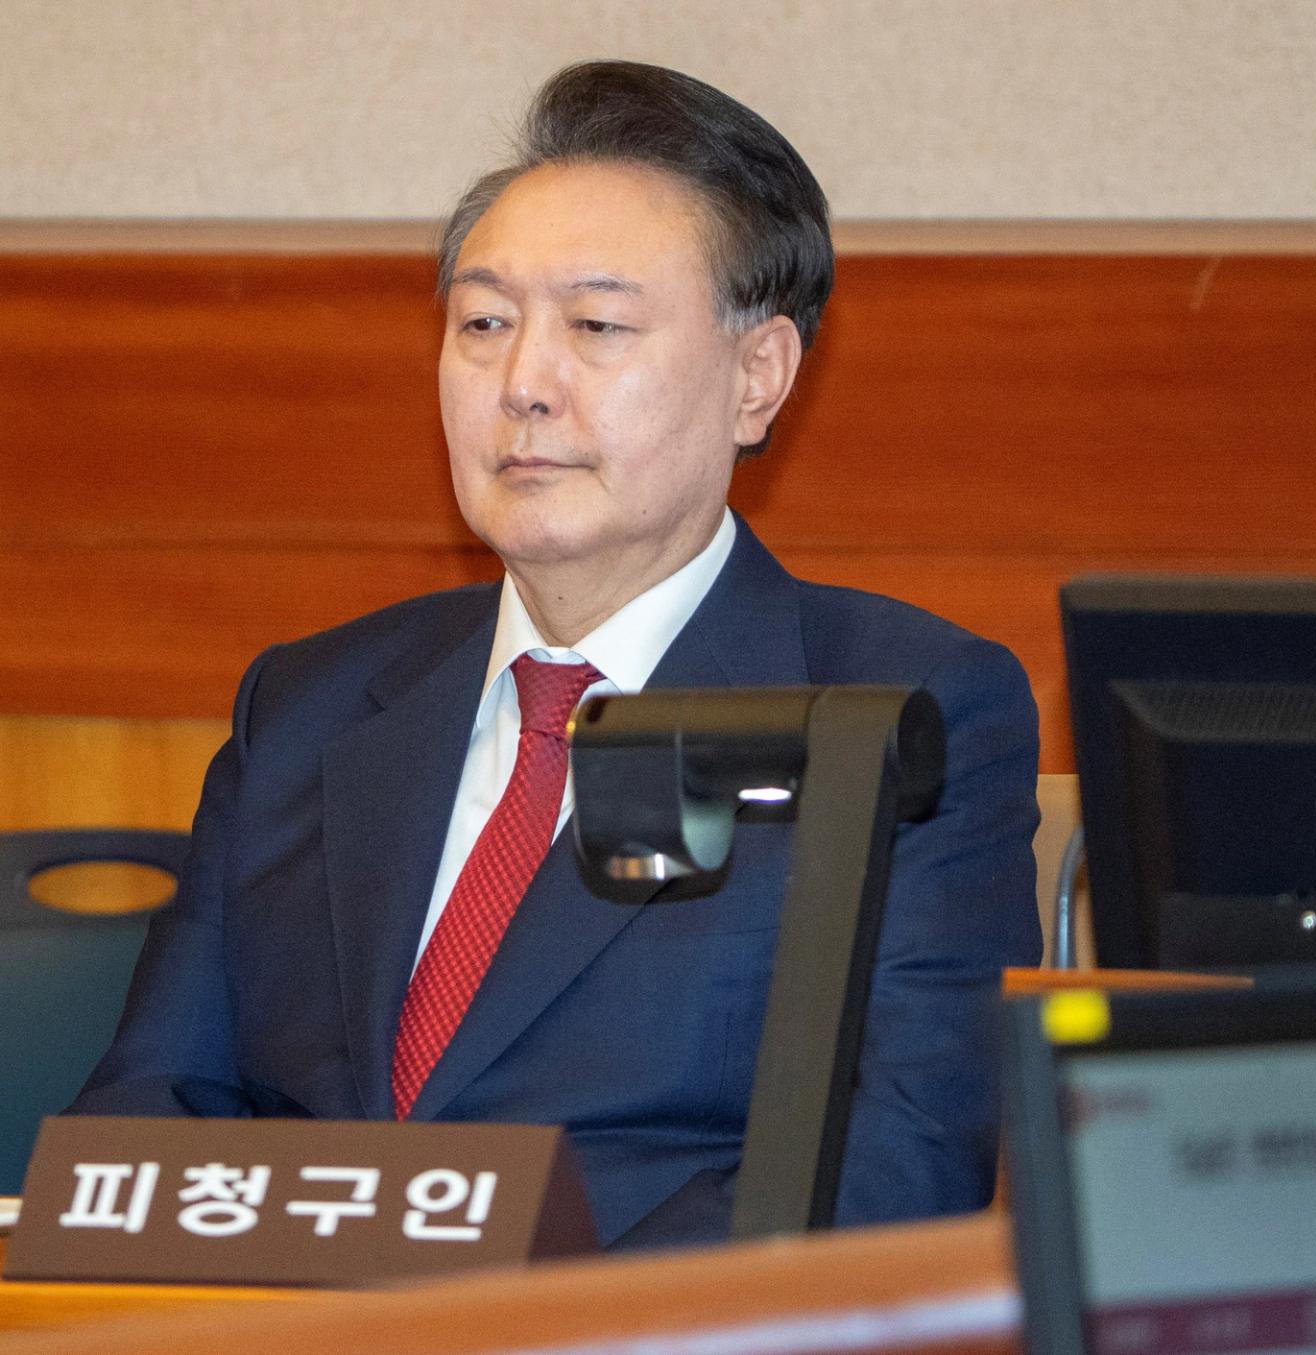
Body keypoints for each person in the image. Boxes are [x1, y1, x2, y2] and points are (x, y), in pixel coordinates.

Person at [71, 60, 1042, 1249]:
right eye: (483, 324)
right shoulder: (309, 706)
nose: (523, 384)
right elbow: (146, 1128)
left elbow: (894, 1177)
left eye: (597, 326)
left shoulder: (898, 711)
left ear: (757, 377)